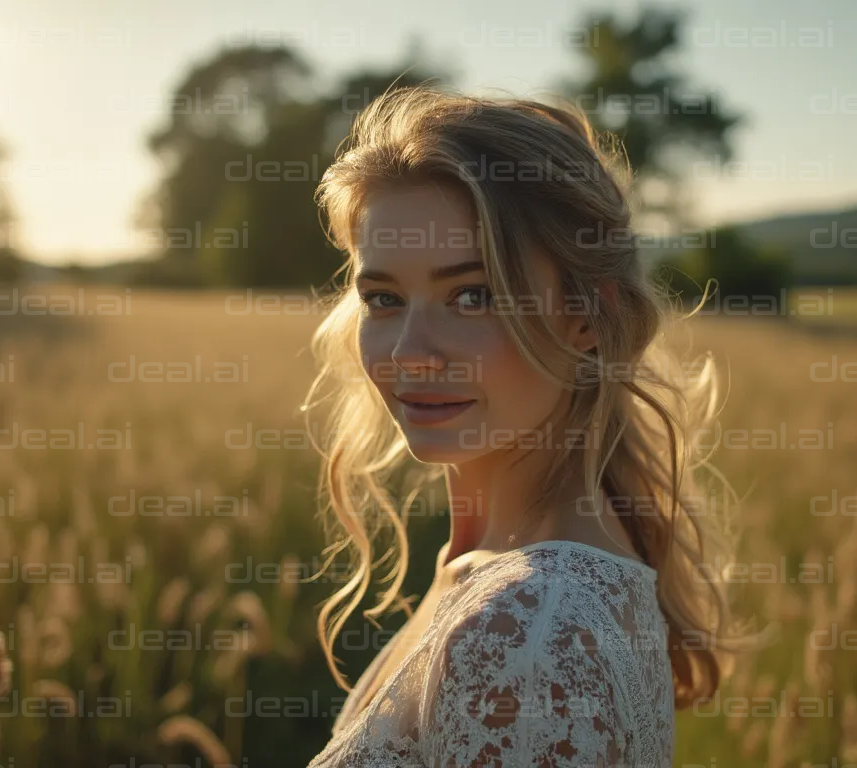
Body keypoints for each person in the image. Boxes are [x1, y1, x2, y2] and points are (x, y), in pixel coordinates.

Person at [302, 83, 741, 767]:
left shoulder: (525, 636)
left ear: (587, 316)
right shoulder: (510, 578)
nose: (411, 352)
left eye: (473, 295)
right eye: (383, 298)